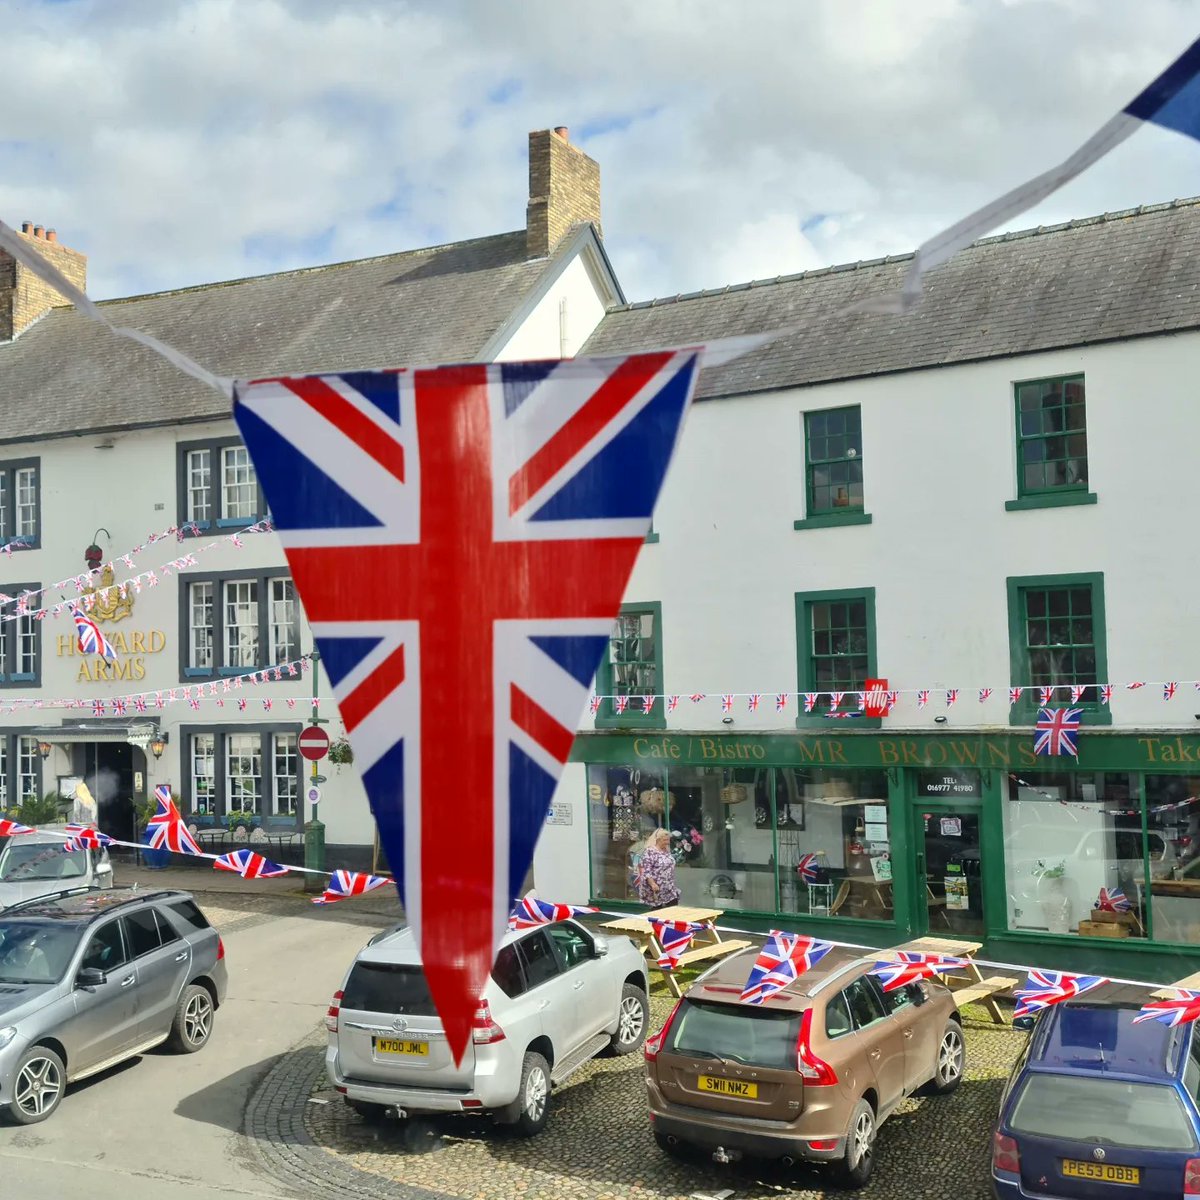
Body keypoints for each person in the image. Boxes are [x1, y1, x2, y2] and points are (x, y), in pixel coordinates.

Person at [635, 828, 680, 907]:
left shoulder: (666, 851)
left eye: (668, 840)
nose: (668, 842)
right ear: (658, 840)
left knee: (673, 908)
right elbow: (646, 870)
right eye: (665, 840)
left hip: (669, 887)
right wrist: (652, 884)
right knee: (657, 912)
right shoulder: (650, 851)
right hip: (656, 888)